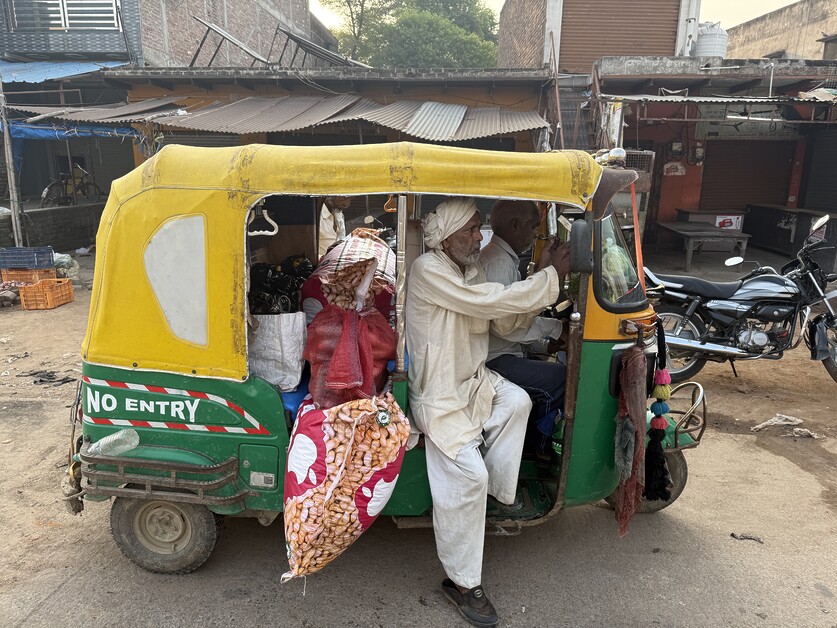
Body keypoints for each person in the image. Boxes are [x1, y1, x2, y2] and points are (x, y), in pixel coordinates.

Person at [405, 197, 568, 628]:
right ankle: (462, 584)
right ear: (447, 235)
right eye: (471, 230)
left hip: (473, 379)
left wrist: (539, 290)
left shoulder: (471, 270)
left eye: (480, 228)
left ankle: (492, 500)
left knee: (519, 401)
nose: (480, 238)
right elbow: (486, 305)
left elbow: (505, 324)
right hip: (438, 393)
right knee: (468, 477)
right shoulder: (429, 271)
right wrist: (550, 277)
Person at [480, 200, 569, 463]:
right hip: (494, 359)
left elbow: (516, 319)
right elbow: (506, 327)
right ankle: (538, 451)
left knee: (548, 365)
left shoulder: (505, 259)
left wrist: (548, 343)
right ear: (515, 225)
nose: (535, 235)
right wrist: (556, 329)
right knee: (563, 379)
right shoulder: (497, 262)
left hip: (506, 352)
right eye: (533, 227)